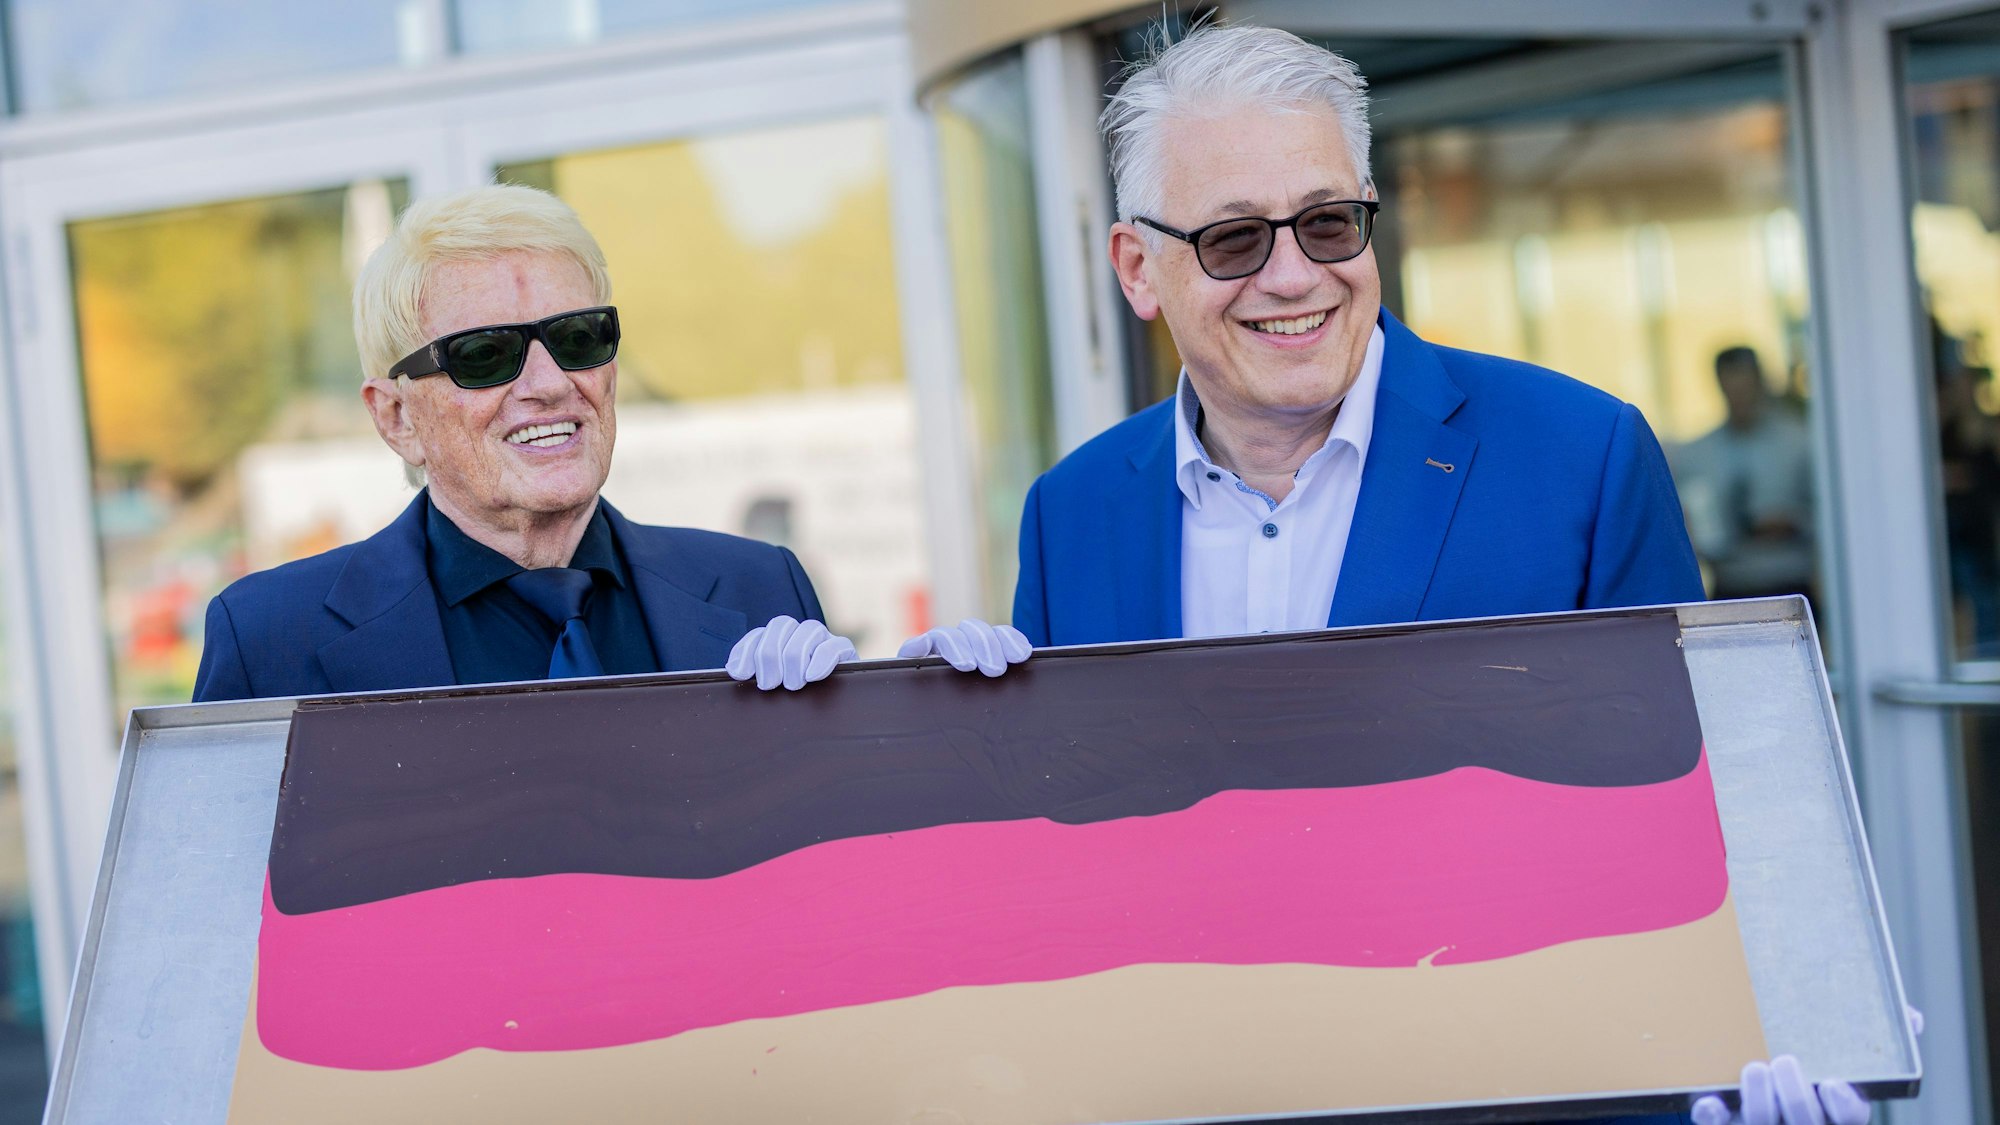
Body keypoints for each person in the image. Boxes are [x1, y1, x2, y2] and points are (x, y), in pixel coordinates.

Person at [997, 24, 1872, 1125]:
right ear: (1137, 268)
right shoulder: (1069, 516)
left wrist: (1793, 1040)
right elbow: (1054, 874)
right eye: (1230, 241)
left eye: (1326, 224)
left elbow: (1711, 822)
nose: (1291, 275)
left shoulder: (1578, 458)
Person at [192, 184, 857, 702]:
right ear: (395, 417)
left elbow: (838, 853)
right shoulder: (270, 642)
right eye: (485, 354)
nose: (549, 382)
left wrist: (924, 724)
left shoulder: (762, 590)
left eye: (577, 338)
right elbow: (219, 878)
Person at [1672, 347, 1817, 602]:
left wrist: (1791, 523)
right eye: (1732, 388)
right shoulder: (1697, 455)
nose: (1739, 397)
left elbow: (1834, 519)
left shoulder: (1799, 443)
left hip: (1790, 583)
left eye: (1745, 387)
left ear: (1760, 382)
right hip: (1731, 587)